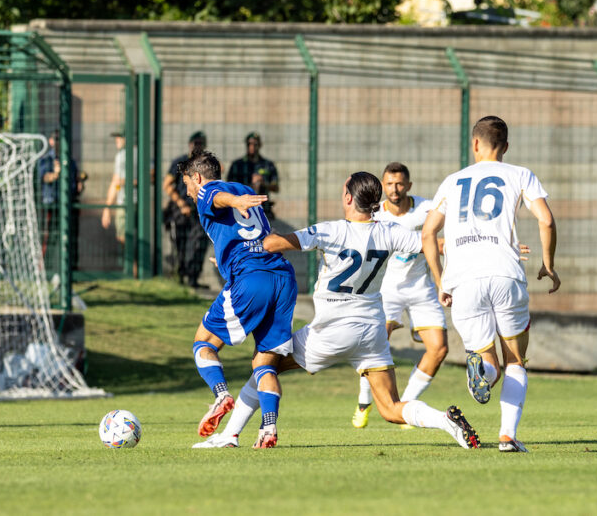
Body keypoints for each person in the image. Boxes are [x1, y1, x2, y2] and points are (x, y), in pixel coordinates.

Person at [195, 172, 480, 450]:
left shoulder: (329, 230)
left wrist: (232, 254)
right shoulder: (391, 231)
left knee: (264, 364)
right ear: (376, 202)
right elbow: (435, 244)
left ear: (347, 198)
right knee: (391, 408)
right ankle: (445, 421)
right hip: (371, 333)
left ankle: (230, 436)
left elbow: (271, 243)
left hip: (332, 330)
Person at [422, 115, 560, 453]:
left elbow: (428, 233)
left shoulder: (453, 181)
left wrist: (442, 281)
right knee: (515, 359)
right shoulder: (520, 174)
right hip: (505, 274)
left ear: (475, 144)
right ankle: (507, 436)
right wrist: (548, 264)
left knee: (488, 361)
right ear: (506, 147)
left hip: (464, 280)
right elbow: (546, 219)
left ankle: (480, 370)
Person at [180, 149, 298, 449]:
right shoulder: (245, 189)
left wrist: (233, 202)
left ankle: (220, 394)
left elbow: (215, 196)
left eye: (187, 184)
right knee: (265, 364)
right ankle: (268, 429)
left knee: (203, 343)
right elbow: (245, 235)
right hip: (282, 277)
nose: (189, 192)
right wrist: (222, 258)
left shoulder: (210, 190)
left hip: (251, 279)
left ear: (196, 177)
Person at [351, 162, 449, 429]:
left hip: (421, 288)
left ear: (409, 186)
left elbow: (445, 239)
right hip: (386, 290)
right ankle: (363, 401)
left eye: (399, 184)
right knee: (373, 346)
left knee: (439, 348)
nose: (394, 189)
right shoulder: (374, 214)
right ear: (383, 186)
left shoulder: (426, 209)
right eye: (389, 184)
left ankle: (405, 406)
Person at [162, 131, 210, 288]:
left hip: (199, 210)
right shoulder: (180, 162)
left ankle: (193, 279)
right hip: (180, 210)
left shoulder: (207, 165)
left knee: (198, 245)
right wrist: (181, 204)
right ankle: (180, 278)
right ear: (190, 144)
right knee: (180, 245)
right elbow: (167, 185)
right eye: (195, 143)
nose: (197, 146)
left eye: (201, 143)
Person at [37, 130, 82, 274]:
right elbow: (44, 178)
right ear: (50, 141)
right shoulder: (45, 159)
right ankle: (45, 268)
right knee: (49, 236)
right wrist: (56, 174)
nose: (57, 143)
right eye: (55, 140)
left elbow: (75, 181)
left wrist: (79, 183)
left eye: (60, 140)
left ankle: (69, 268)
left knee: (68, 236)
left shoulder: (69, 160)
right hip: (51, 203)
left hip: (66, 204)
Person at [227, 132, 279, 220]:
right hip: (242, 209)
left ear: (260, 145)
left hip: (263, 209)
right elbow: (229, 187)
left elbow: (275, 187)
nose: (252, 147)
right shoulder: (237, 165)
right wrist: (251, 186)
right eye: (249, 144)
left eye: (255, 144)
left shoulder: (268, 164)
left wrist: (263, 183)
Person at [100, 131, 126, 247]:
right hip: (125, 202)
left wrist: (107, 208)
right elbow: (117, 183)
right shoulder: (122, 155)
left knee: (124, 238)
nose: (117, 139)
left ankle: (135, 265)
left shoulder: (122, 156)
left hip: (125, 204)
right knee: (123, 238)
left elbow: (117, 182)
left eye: (119, 137)